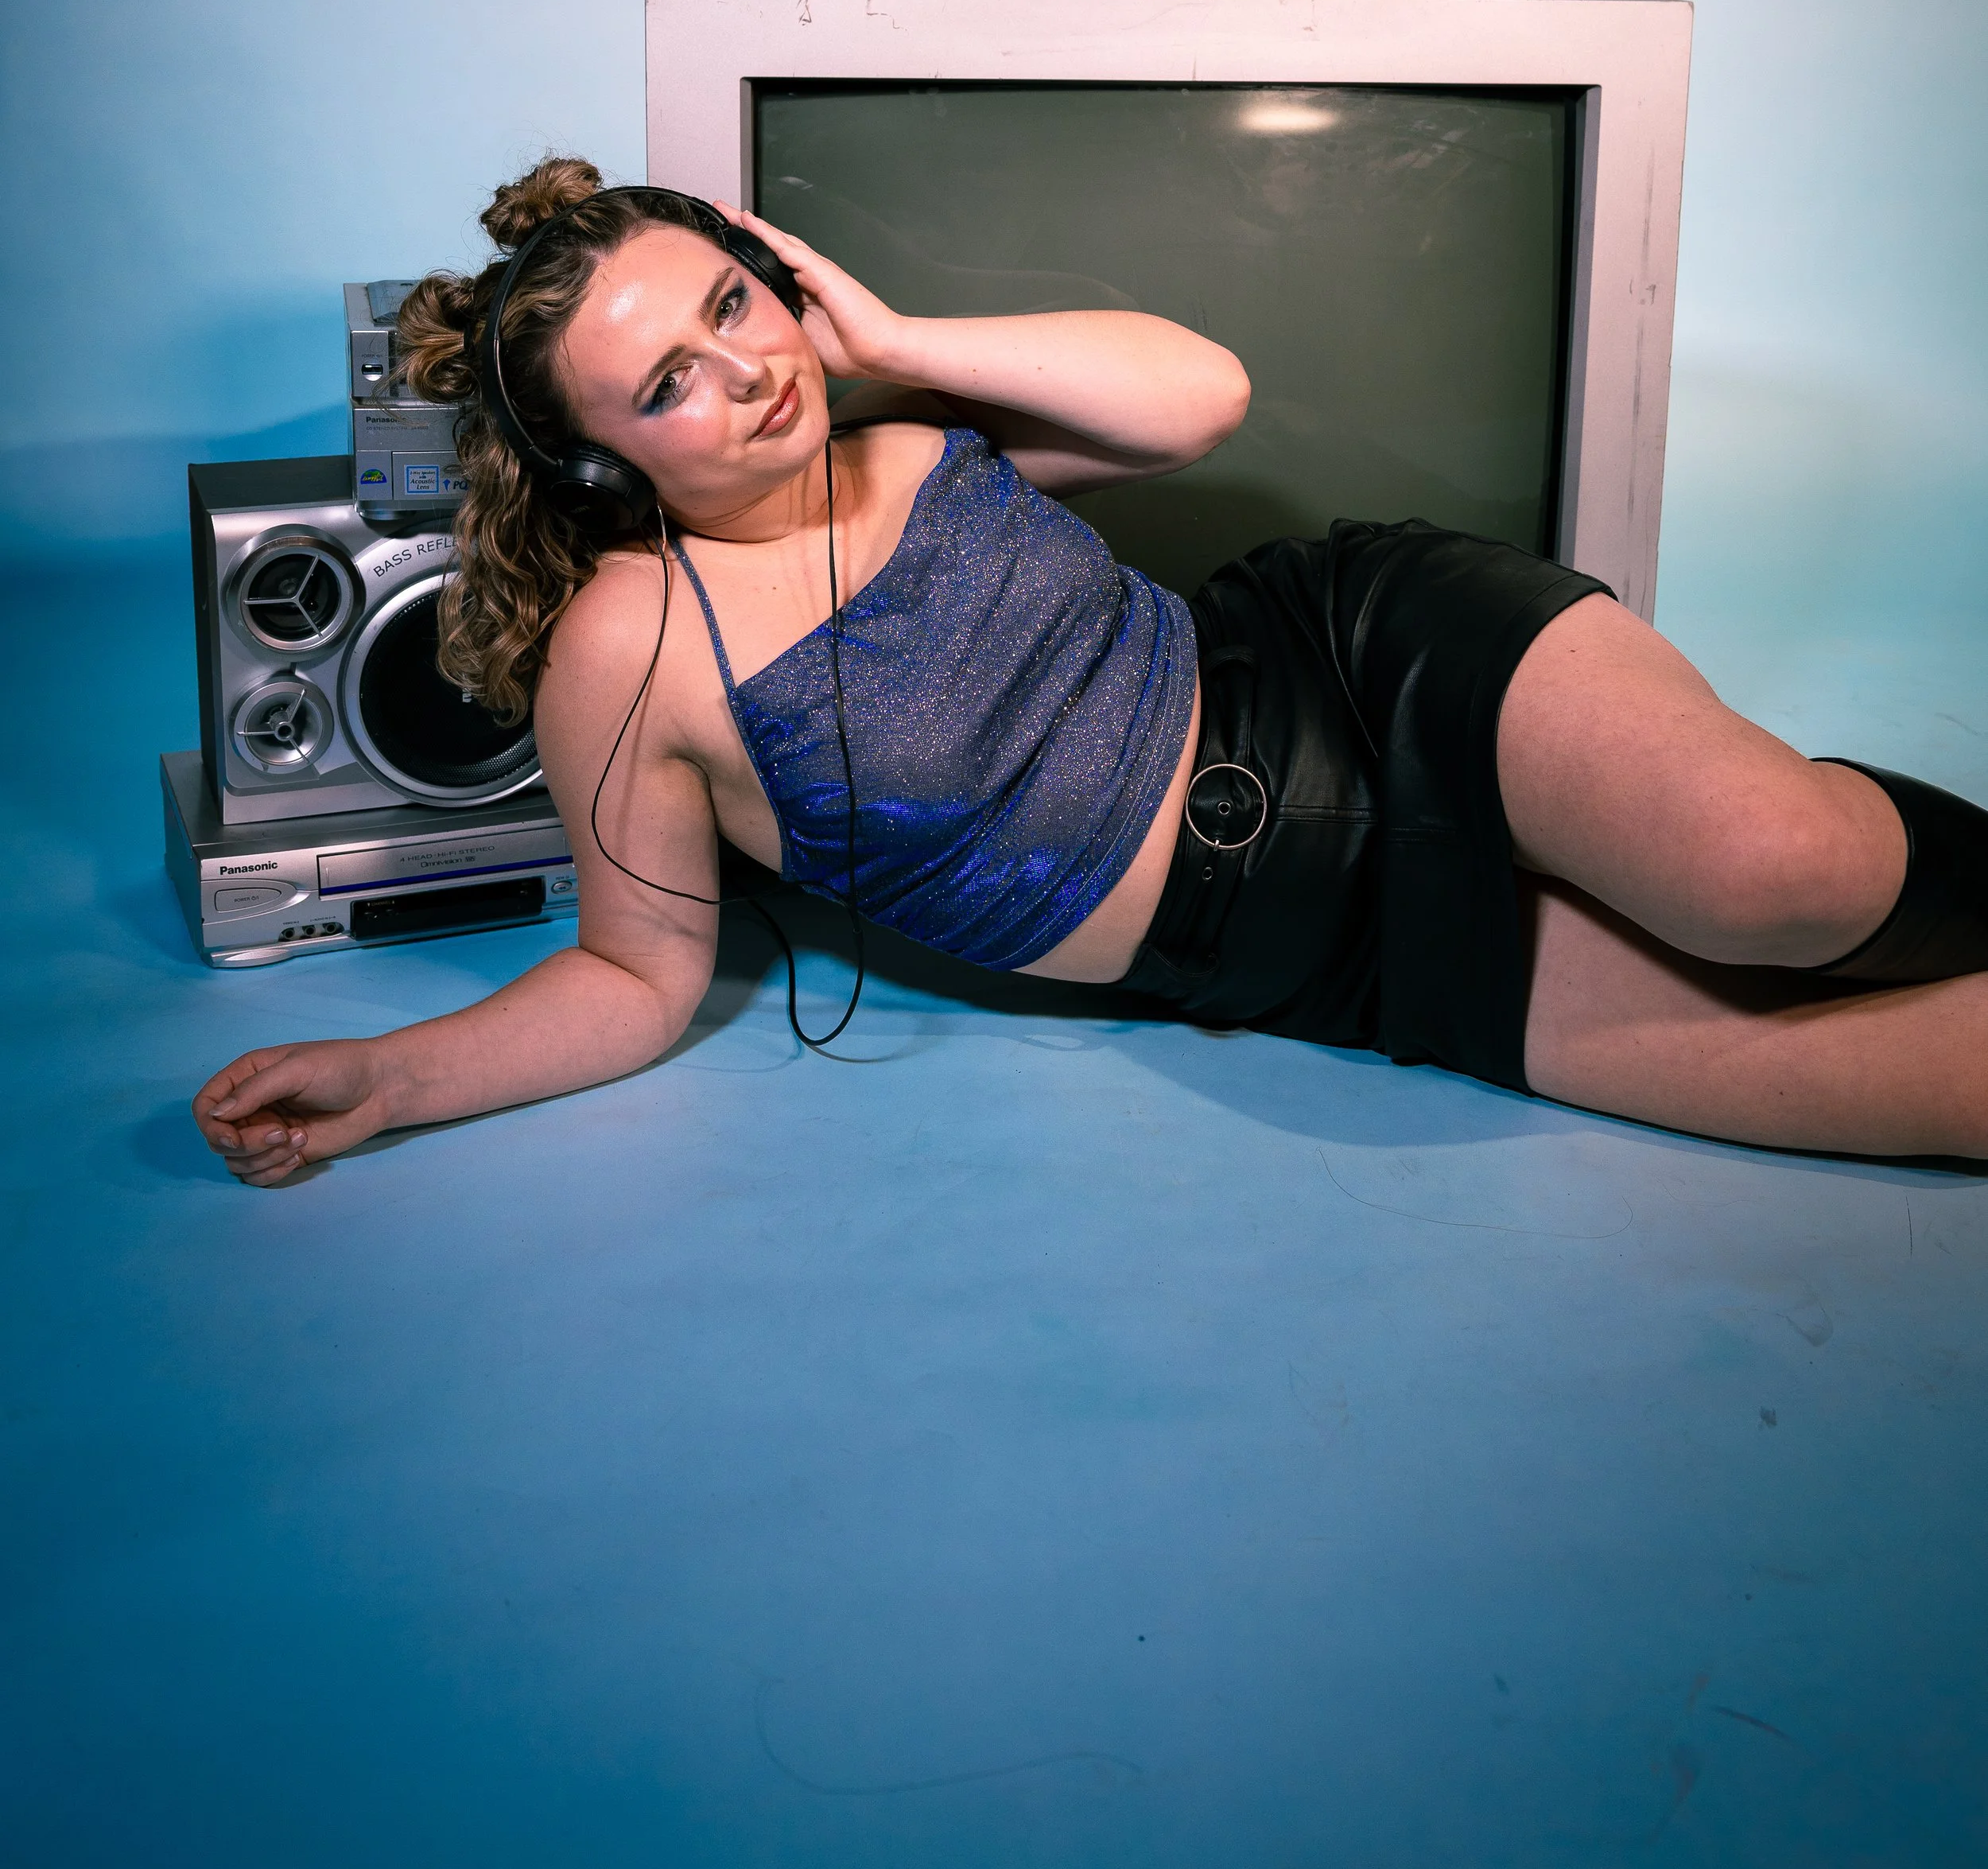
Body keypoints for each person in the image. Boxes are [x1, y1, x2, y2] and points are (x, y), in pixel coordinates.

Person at [193, 158, 1988, 1184]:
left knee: (1779, 874)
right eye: (664, 381)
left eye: (731, 302)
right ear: (601, 461)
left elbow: (1202, 397)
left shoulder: (902, 433)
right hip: (1310, 956)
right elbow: (633, 973)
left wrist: (886, 334)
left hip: (1360, 667)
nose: (740, 373)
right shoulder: (632, 645)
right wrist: (392, 1084)